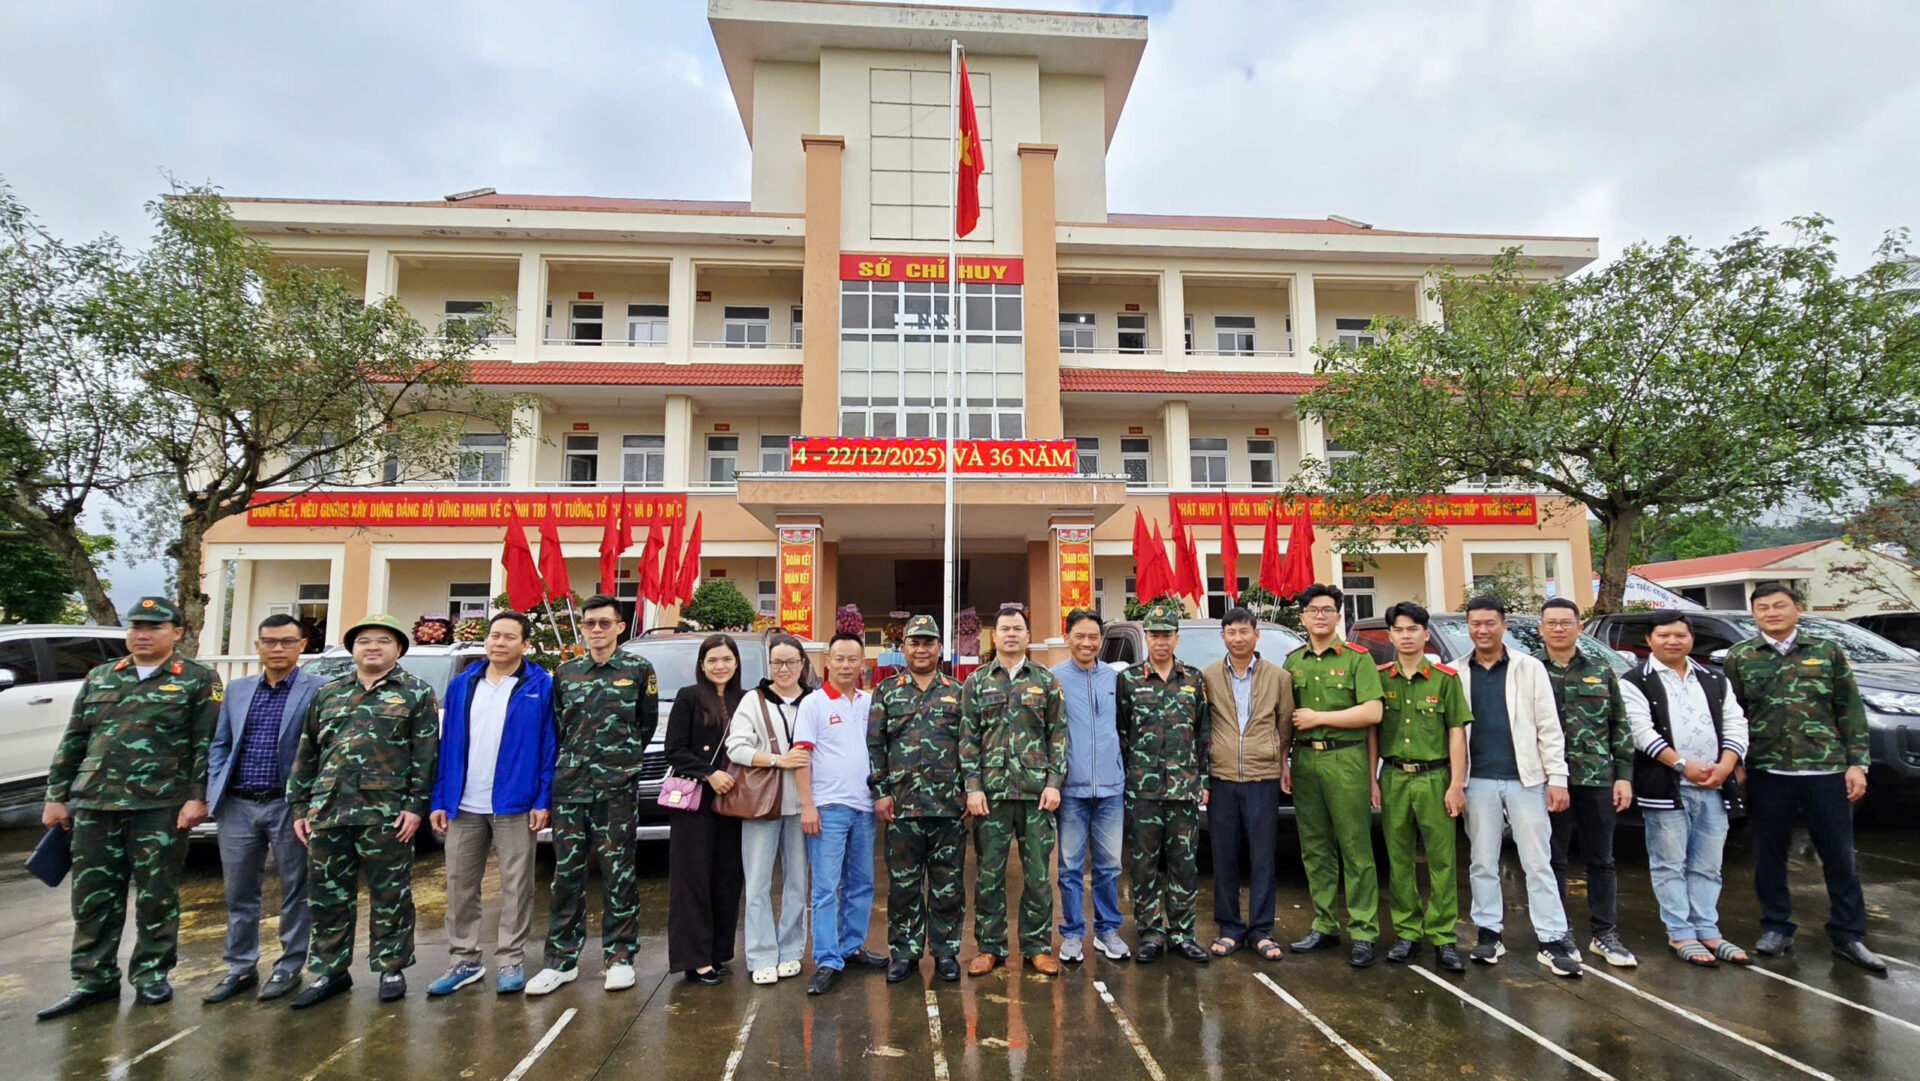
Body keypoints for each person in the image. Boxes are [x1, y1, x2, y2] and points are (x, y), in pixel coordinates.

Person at [37, 596, 221, 1020]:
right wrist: (56, 794)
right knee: (93, 898)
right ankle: (92, 980)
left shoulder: (197, 680)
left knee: (157, 896)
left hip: (159, 805)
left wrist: (198, 797)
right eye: (136, 625)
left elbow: (204, 745)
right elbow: (75, 738)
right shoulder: (101, 676)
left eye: (154, 626)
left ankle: (152, 974)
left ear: (176, 633)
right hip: (95, 802)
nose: (142, 633)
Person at [1727, 582, 1884, 972]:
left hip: (1826, 770)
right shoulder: (1741, 656)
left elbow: (1850, 709)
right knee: (1769, 854)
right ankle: (1777, 927)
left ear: (1797, 608)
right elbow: (1733, 714)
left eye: (1780, 606)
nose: (1772, 613)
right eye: (1762, 608)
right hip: (1767, 771)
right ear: (1754, 614)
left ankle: (1849, 935)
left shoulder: (1827, 652)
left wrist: (1856, 764)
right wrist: (1737, 763)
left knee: (1839, 855)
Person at [285, 614, 438, 1009]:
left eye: (383, 640)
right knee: (327, 895)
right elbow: (307, 753)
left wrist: (415, 807)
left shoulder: (415, 693)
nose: (373, 646)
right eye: (364, 640)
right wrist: (301, 805)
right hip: (329, 811)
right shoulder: (328, 694)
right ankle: (331, 970)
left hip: (386, 814)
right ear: (353, 648)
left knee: (391, 894)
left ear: (398, 649)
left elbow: (425, 756)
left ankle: (391, 967)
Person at [527, 594, 658, 996]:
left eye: (605, 623)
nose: (597, 630)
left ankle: (619, 958)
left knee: (618, 874)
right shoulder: (565, 673)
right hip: (570, 789)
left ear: (620, 627)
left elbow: (646, 725)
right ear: (581, 628)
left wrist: (622, 763)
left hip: (616, 789)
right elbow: (557, 729)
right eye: (590, 624)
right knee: (566, 876)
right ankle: (561, 961)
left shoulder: (638, 670)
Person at [427, 611, 555, 997]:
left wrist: (542, 797)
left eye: (509, 637)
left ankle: (510, 958)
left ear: (525, 644)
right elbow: (447, 744)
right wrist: (439, 797)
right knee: (459, 883)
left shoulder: (541, 685)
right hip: (464, 803)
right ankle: (464, 959)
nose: (500, 643)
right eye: (494, 635)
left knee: (517, 884)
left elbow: (549, 745)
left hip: (515, 802)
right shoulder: (464, 684)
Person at [1459, 596, 1583, 977]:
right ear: (1469, 627)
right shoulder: (1455, 672)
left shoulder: (1529, 669)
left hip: (1526, 780)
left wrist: (1557, 779)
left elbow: (1549, 727)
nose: (1483, 630)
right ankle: (1488, 932)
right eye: (1476, 623)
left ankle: (1551, 937)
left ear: (1503, 625)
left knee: (1537, 862)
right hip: (1476, 780)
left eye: (1490, 623)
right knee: (1482, 860)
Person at [203, 613, 323, 1004]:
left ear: (302, 645)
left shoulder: (320, 689)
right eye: (269, 641)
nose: (277, 648)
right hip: (237, 803)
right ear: (257, 646)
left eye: (287, 641)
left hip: (288, 805)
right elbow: (221, 743)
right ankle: (240, 966)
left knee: (296, 889)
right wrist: (216, 787)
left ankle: (289, 965)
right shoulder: (236, 691)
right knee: (239, 891)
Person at [1621, 610, 1751, 967]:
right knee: (1669, 864)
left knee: (1708, 864)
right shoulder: (1635, 681)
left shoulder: (1713, 679)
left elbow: (1736, 724)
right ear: (1649, 640)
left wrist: (1726, 765)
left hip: (1715, 786)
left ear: (1691, 639)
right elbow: (1639, 731)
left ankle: (1709, 930)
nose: (1672, 641)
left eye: (1680, 634)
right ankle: (1680, 933)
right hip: (1666, 786)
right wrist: (1682, 765)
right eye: (1663, 635)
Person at [1282, 583, 1385, 967]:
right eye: (1313, 610)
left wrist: (1320, 718)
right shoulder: (1294, 662)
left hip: (1347, 760)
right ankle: (1324, 924)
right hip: (1306, 762)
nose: (1320, 616)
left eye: (1327, 609)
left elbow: (1373, 712)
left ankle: (1363, 930)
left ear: (1339, 616)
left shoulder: (1358, 659)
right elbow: (1285, 719)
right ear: (1304, 616)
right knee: (1315, 847)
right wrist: (1283, 763)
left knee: (1356, 847)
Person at [962, 606, 1067, 977]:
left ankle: (1037, 947)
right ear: (995, 635)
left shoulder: (1046, 681)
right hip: (990, 797)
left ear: (1027, 635)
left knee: (1038, 875)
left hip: (1037, 794)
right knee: (989, 875)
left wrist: (1055, 783)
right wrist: (972, 788)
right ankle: (990, 947)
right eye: (1004, 628)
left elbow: (1058, 736)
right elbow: (968, 740)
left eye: (1017, 628)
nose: (1011, 634)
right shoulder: (976, 682)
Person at [1536, 597, 1638, 968]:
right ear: (1541, 629)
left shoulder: (1602, 671)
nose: (1559, 628)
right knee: (1553, 859)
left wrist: (1624, 777)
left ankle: (1605, 933)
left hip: (1597, 778)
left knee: (1602, 860)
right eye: (1552, 623)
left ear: (1579, 627)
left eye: (1566, 622)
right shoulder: (1531, 671)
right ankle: (1558, 931)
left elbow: (1619, 727)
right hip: (1549, 781)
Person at [868, 615, 967, 984]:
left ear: (940, 648)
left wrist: (967, 791)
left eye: (929, 642)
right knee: (904, 886)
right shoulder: (887, 691)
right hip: (903, 807)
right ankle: (905, 953)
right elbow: (876, 745)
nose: (921, 649)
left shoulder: (957, 691)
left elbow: (968, 747)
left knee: (948, 885)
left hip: (947, 807)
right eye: (915, 643)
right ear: (904, 648)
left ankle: (945, 952)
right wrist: (881, 793)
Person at [1374, 602, 1470, 972]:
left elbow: (1456, 731)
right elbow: (1372, 733)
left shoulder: (1445, 679)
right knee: (1398, 859)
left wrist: (1456, 784)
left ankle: (1444, 936)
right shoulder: (1381, 678)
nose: (1406, 635)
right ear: (1391, 636)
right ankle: (1407, 932)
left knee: (1442, 860)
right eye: (1399, 629)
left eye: (1413, 628)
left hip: (1435, 777)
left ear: (1426, 634)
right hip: (1396, 776)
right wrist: (1373, 779)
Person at [1116, 603, 1210, 963]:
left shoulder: (1193, 679)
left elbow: (1203, 733)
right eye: (1154, 634)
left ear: (1176, 637)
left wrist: (1202, 779)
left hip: (1183, 789)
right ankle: (1152, 933)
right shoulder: (1129, 680)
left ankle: (1183, 933)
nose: (1160, 641)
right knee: (1144, 865)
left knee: (1184, 864)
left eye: (1166, 634)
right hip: (1143, 791)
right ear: (1146, 637)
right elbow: (1122, 732)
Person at [1202, 605, 1293, 962]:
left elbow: (1285, 724)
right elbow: (1203, 726)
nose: (1238, 638)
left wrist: (1280, 759)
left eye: (1245, 631)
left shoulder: (1278, 677)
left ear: (1257, 635)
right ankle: (1229, 927)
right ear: (1222, 636)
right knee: (1223, 855)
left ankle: (1260, 929)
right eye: (1231, 632)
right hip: (1222, 776)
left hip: (1263, 776)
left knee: (1262, 855)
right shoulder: (1207, 676)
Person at [796, 633, 885, 994]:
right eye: (840, 659)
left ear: (863, 663)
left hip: (864, 807)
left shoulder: (869, 703)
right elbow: (801, 758)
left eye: (854, 659)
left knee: (861, 884)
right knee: (825, 888)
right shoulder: (813, 704)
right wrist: (808, 805)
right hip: (828, 809)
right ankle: (828, 958)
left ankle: (851, 947)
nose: (846, 666)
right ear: (827, 663)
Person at [727, 634, 813, 986]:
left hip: (803, 807)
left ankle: (791, 949)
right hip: (763, 806)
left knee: (797, 882)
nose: (784, 669)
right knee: (758, 883)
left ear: (803, 664)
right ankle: (761, 953)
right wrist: (778, 760)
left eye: (791, 662)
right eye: (777, 662)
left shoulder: (815, 701)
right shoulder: (753, 700)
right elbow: (736, 747)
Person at [664, 633, 747, 985]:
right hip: (695, 803)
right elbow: (675, 749)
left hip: (734, 802)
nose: (720, 666)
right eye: (712, 660)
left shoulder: (746, 699)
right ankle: (694, 960)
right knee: (692, 880)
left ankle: (718, 953)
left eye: (726, 659)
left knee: (727, 878)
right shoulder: (688, 698)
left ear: (736, 663)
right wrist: (709, 773)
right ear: (702, 664)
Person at [1050, 608, 1128, 964]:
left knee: (1109, 865)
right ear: (1067, 638)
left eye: (1093, 636)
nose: (1086, 642)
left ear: (1101, 640)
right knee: (1069, 866)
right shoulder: (1053, 680)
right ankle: (1072, 933)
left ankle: (1108, 930)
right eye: (1079, 636)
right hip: (1071, 790)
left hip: (1111, 787)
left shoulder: (1115, 679)